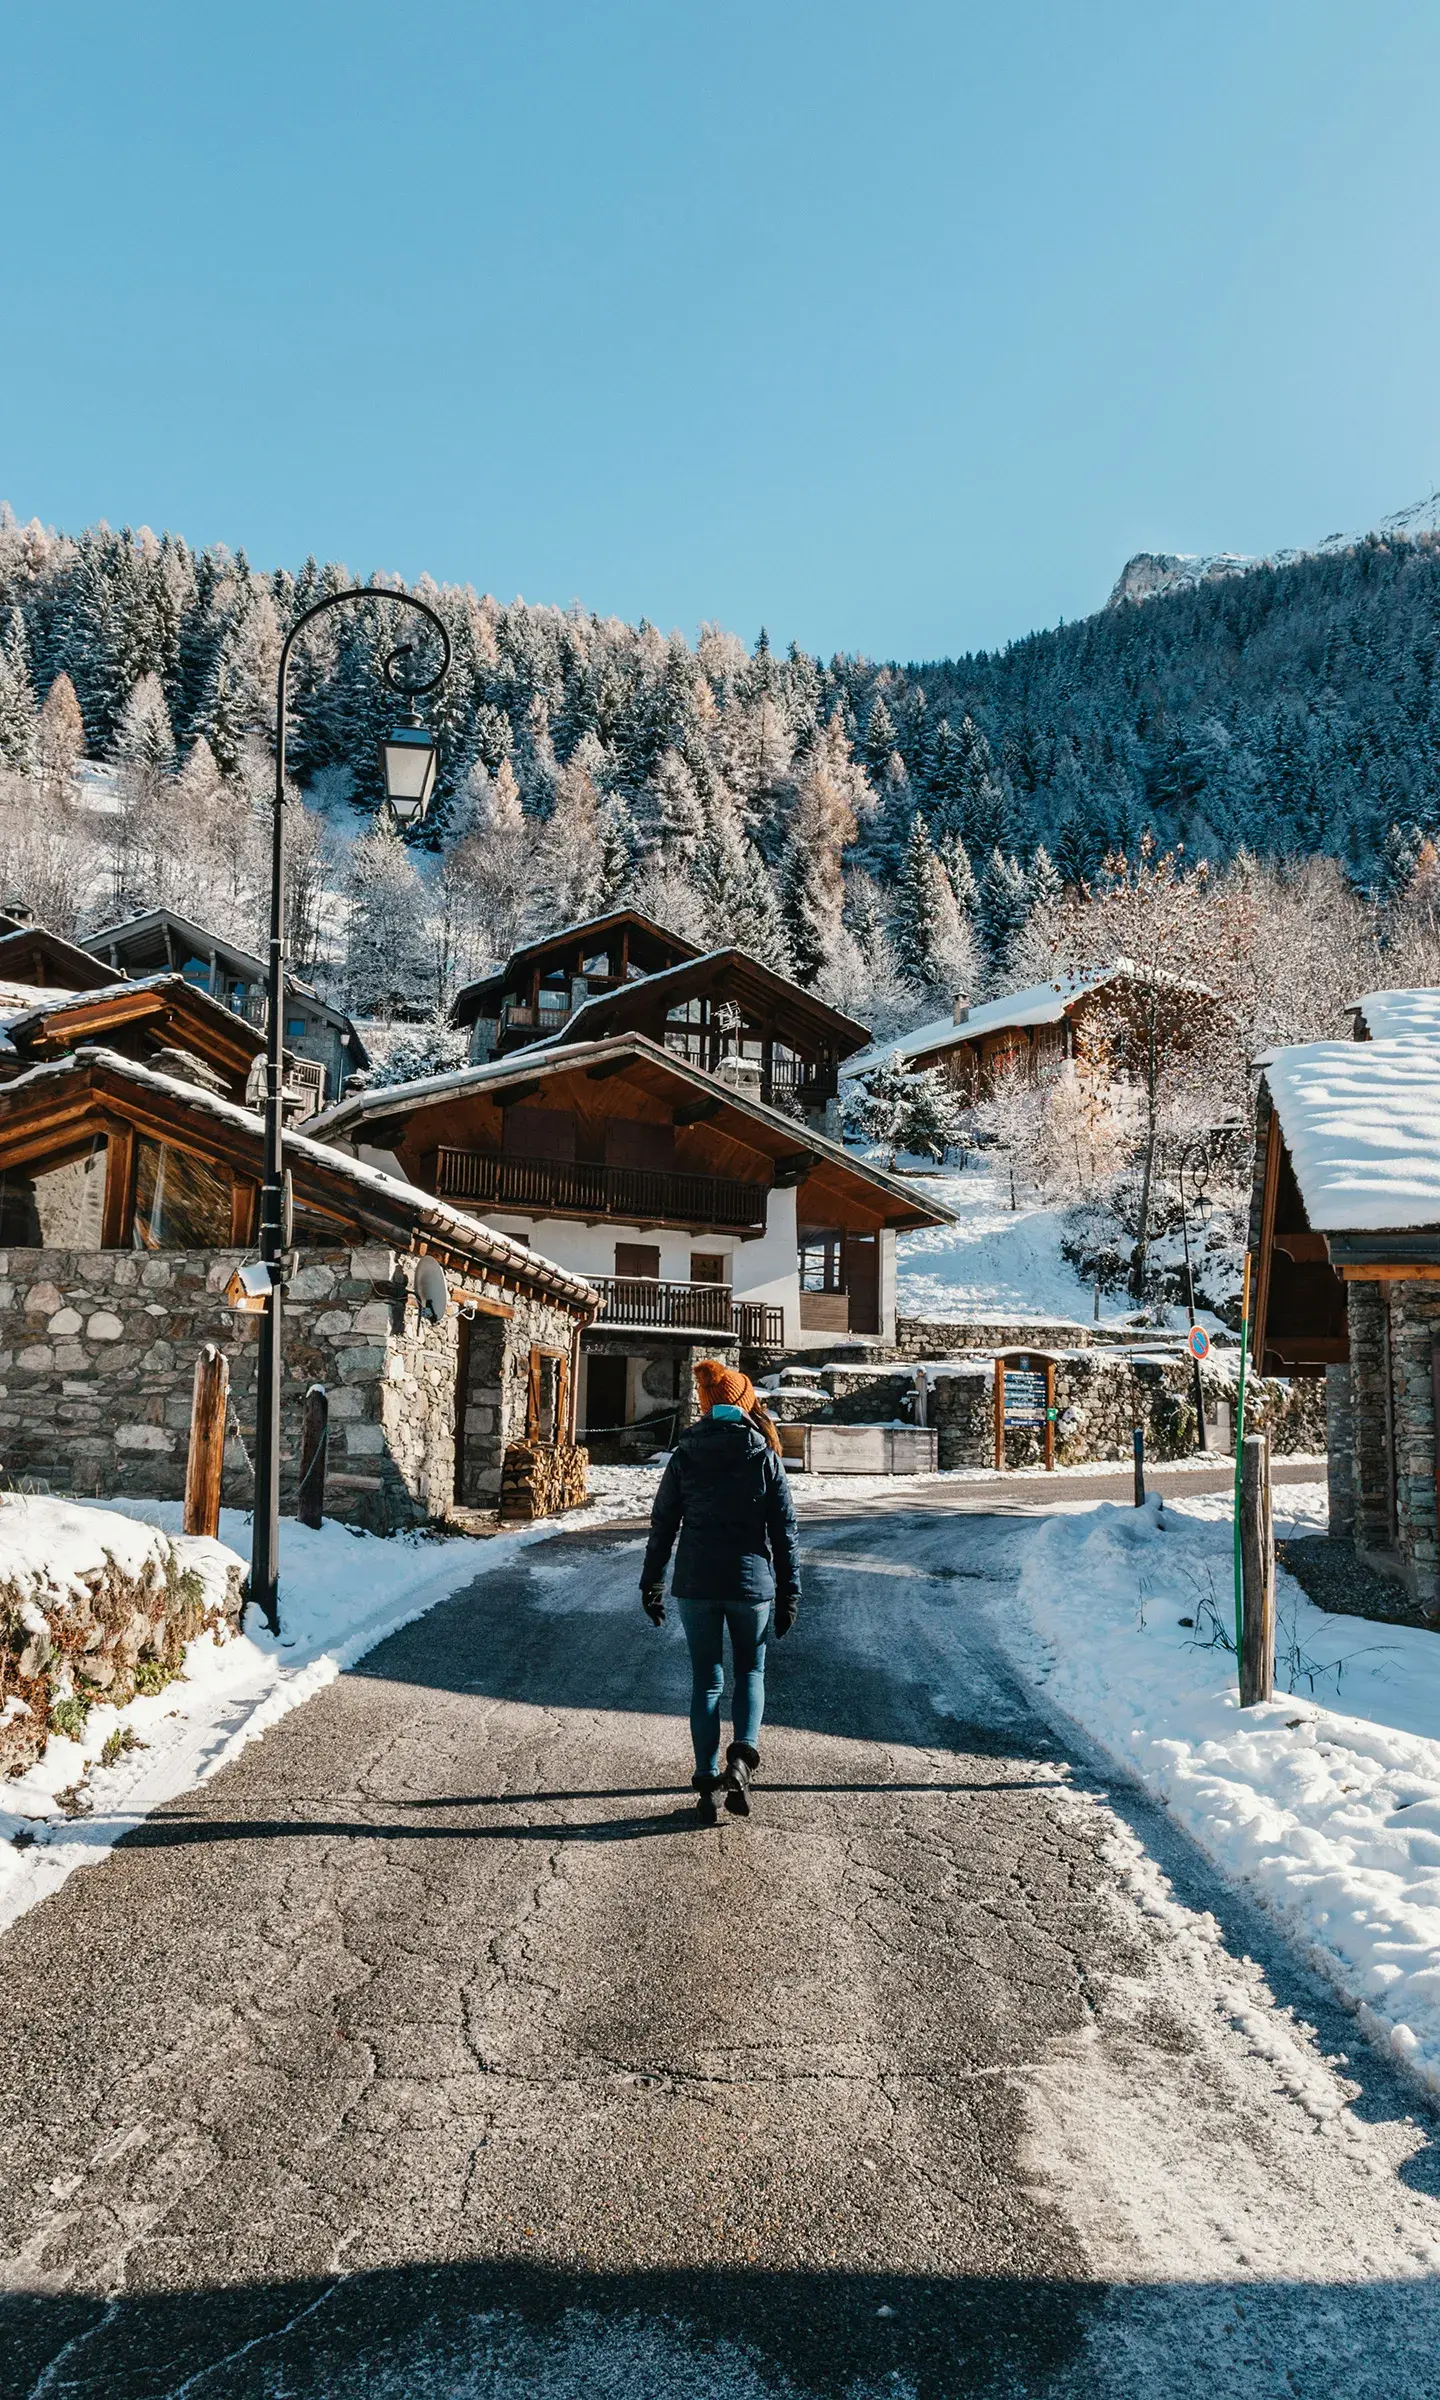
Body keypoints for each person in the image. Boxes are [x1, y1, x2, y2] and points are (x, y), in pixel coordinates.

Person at [640, 1358, 801, 1826]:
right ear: (744, 1402)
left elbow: (662, 1525)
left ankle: (707, 1784)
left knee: (706, 1680)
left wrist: (651, 1582)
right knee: (750, 1671)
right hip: (752, 1587)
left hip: (695, 1584)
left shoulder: (686, 1454)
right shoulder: (763, 1455)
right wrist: (790, 1591)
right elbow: (784, 1533)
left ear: (708, 1407)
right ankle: (741, 1761)